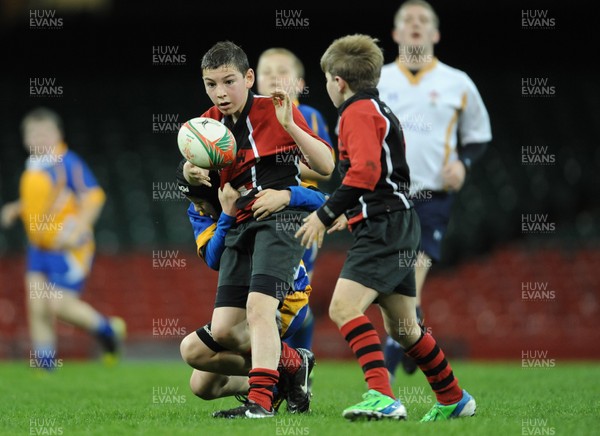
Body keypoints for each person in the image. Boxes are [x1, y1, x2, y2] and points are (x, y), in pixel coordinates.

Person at [296, 33, 476, 422]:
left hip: (385, 228)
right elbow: (383, 177)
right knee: (405, 327)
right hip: (394, 221)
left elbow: (366, 171)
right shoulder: (378, 108)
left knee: (343, 307)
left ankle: (381, 395)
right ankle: (453, 397)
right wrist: (353, 212)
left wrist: (325, 214)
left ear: (337, 81)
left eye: (327, 79)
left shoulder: (355, 113)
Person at [190, 40, 334, 419]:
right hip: (239, 228)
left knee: (259, 309)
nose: (220, 93)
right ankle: (291, 366)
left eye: (228, 81)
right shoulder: (206, 126)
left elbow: (326, 166)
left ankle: (260, 403)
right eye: (210, 84)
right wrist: (189, 175)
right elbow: (203, 194)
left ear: (248, 78)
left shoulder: (275, 109)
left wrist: (290, 126)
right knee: (219, 332)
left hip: (279, 223)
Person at [377, 0, 492, 378]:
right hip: (386, 196)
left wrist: (464, 162)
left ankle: (386, 379)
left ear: (435, 33)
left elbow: (478, 136)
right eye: (406, 19)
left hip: (432, 198)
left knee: (408, 280)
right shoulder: (376, 80)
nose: (415, 24)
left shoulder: (456, 82)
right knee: (396, 289)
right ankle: (415, 343)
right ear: (395, 33)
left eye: (423, 19)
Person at [176, 160, 327, 411]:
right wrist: (226, 216)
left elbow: (325, 198)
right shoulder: (204, 212)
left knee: (194, 350)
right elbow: (214, 259)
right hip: (241, 302)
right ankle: (283, 379)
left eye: (200, 203)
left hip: (286, 297)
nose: (198, 210)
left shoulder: (256, 193)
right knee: (203, 386)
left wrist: (288, 195)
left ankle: (291, 365)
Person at [0, 107, 126, 370]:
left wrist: (78, 230)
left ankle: (107, 331)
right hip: (39, 247)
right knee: (36, 304)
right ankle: (45, 365)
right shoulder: (34, 167)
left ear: (58, 134)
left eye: (45, 132)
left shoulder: (67, 162)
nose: (39, 138)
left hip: (67, 248)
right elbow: (44, 202)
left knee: (58, 304)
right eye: (33, 133)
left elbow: (93, 197)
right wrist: (17, 208)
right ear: (25, 139)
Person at [255, 47, 335, 374]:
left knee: (290, 299)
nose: (274, 75)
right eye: (267, 70)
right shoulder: (249, 117)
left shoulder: (311, 116)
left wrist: (278, 167)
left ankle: (295, 369)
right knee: (268, 300)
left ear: (300, 84)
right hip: (260, 215)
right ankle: (289, 372)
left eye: (282, 70)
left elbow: (327, 166)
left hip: (302, 216)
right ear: (253, 79)